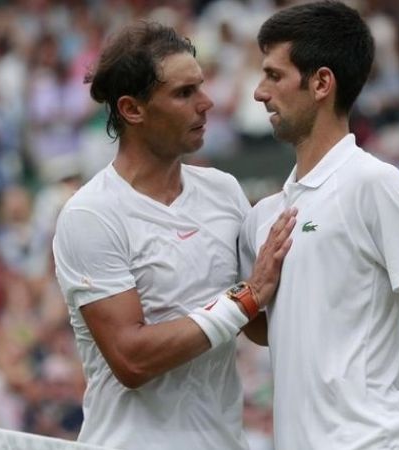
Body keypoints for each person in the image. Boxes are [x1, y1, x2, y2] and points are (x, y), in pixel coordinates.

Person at [238, 2, 399, 449]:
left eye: (274, 75)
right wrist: (251, 295)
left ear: (321, 83)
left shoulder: (373, 183)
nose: (260, 92)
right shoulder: (262, 219)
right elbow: (268, 329)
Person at [52, 22, 296, 449]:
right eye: (184, 94)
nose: (206, 103)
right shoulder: (90, 215)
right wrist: (246, 296)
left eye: (200, 87)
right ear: (132, 109)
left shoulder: (223, 191)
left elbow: (257, 326)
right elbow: (132, 358)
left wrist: (353, 298)